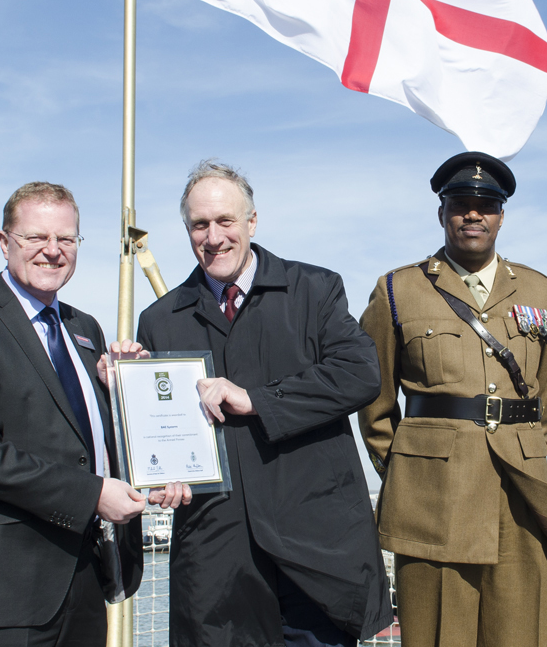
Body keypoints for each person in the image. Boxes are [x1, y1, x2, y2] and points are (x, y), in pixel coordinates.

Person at [125, 160, 391, 647]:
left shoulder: (313, 289)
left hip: (315, 555)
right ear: (187, 230)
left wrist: (257, 400)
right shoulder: (160, 319)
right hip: (217, 563)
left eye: (226, 221)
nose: (214, 237)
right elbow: (158, 430)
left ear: (252, 222)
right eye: (199, 225)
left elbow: (360, 374)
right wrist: (158, 465)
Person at [358, 152, 547, 647]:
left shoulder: (540, 290)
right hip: (433, 494)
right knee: (439, 632)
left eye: (486, 205)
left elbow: (543, 396)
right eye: (461, 203)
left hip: (518, 490)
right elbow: (373, 399)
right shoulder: (398, 289)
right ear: (442, 213)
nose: (473, 214)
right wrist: (410, 470)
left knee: (519, 629)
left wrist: (524, 449)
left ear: (501, 216)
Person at [0, 182, 145, 647]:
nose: (52, 251)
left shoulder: (85, 329)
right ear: (5, 243)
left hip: (83, 577)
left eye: (66, 239)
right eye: (35, 238)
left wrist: (126, 398)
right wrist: (93, 494)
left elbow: (83, 438)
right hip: (2, 585)